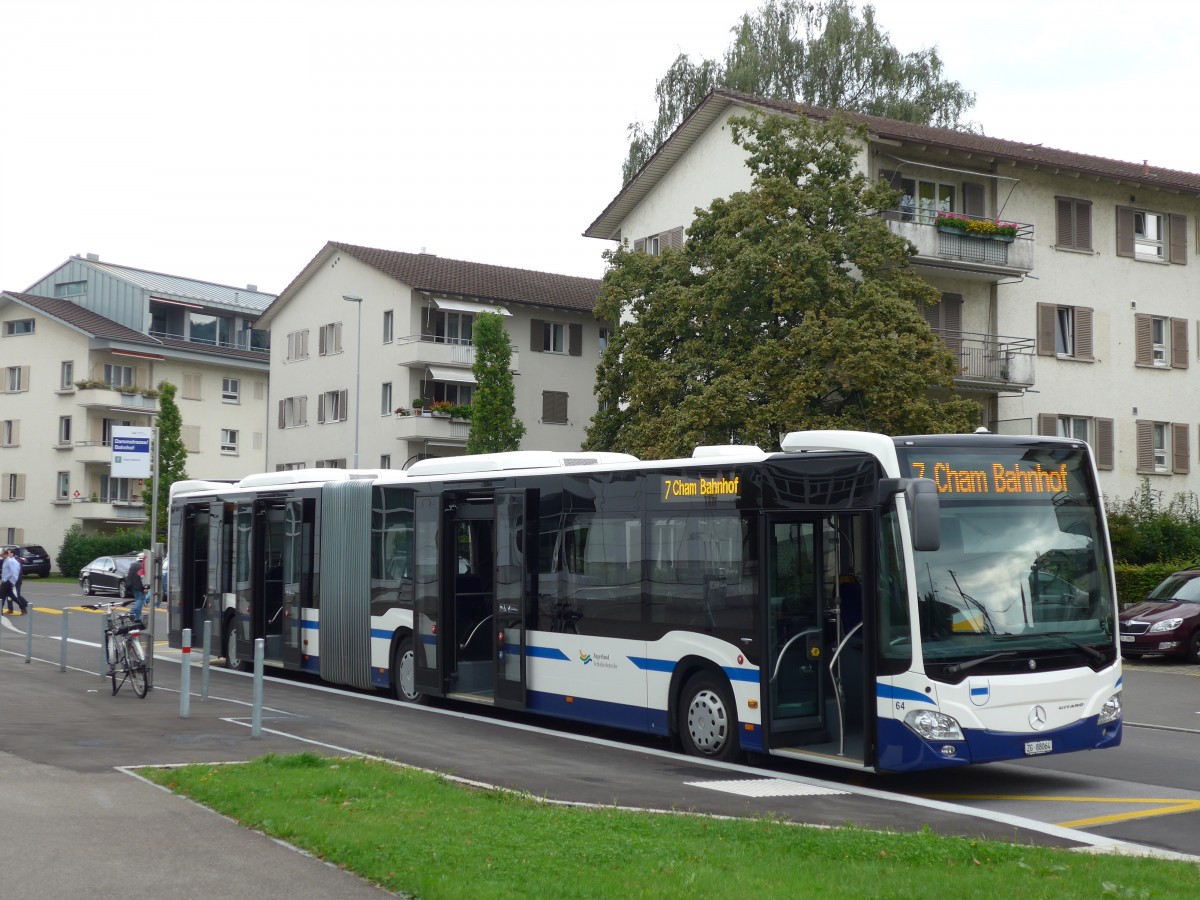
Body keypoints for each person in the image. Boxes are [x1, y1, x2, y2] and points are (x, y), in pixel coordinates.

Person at [1, 548, 27, 615]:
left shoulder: (10, 561)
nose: (1, 555)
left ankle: (0, 610)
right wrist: (2, 580)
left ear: (6, 554)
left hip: (8, 581)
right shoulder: (6, 560)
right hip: (5, 580)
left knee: (1, 595)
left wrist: (13, 582)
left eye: (2, 554)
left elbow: (14, 572)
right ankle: (23, 608)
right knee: (12, 596)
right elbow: (5, 572)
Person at [127, 552, 149, 625]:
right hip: (140, 586)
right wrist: (145, 587)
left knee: (138, 600)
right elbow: (144, 578)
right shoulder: (144, 566)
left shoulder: (133, 565)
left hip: (133, 586)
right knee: (140, 600)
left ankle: (138, 618)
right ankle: (133, 613)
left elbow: (129, 576)